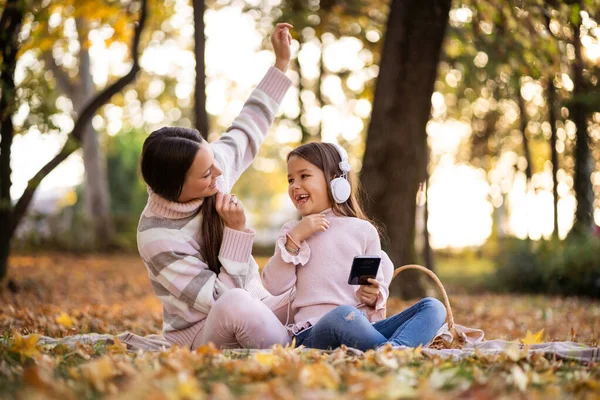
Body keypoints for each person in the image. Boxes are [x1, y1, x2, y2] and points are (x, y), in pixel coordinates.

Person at [137, 23, 294, 350]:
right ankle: (298, 346)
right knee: (235, 304)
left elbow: (248, 127)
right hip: (202, 333)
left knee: (316, 283)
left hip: (260, 304)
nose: (219, 172)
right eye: (207, 174)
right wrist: (236, 233)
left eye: (214, 162)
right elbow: (220, 299)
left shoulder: (211, 171)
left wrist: (281, 65)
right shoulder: (158, 236)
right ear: (177, 186)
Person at [262, 142, 447, 351]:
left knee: (433, 307)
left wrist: (373, 296)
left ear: (335, 181)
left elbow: (373, 304)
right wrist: (295, 239)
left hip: (359, 326)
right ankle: (392, 352)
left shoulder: (364, 231)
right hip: (314, 332)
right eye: (290, 180)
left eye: (304, 176)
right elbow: (273, 285)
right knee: (342, 315)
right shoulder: (293, 231)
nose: (294, 185)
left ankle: (392, 350)